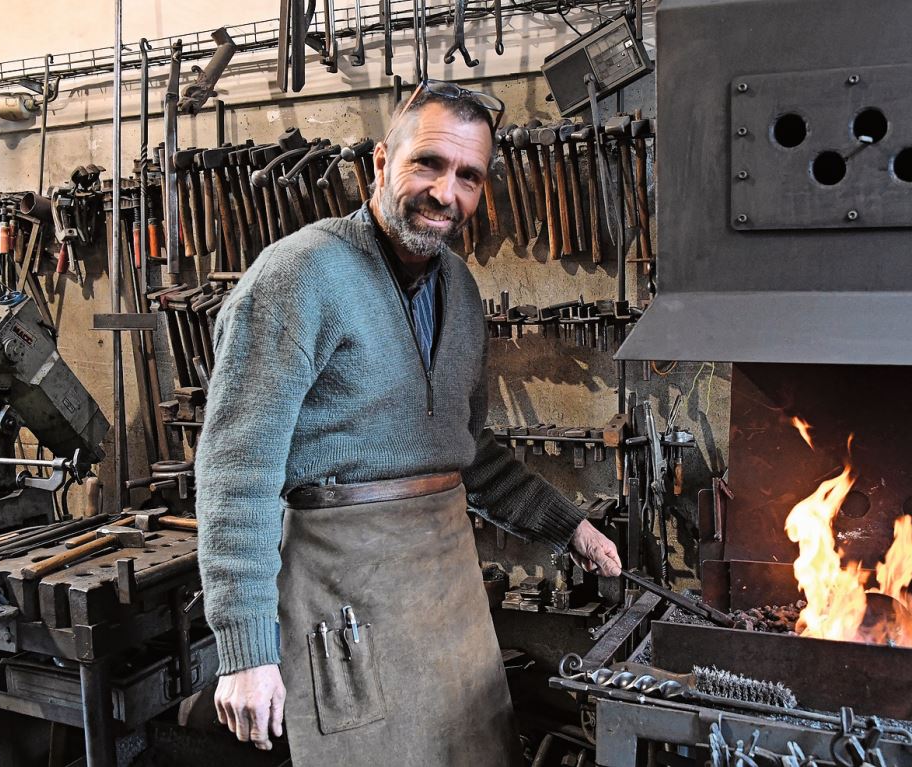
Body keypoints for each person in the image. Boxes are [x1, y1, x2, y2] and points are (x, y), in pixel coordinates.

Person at [195, 80, 622, 765]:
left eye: (468, 176)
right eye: (427, 163)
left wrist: (567, 524)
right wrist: (245, 648)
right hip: (342, 594)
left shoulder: (461, 288)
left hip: (448, 594)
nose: (445, 192)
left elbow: (465, 452)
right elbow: (235, 472)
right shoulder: (300, 275)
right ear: (380, 162)